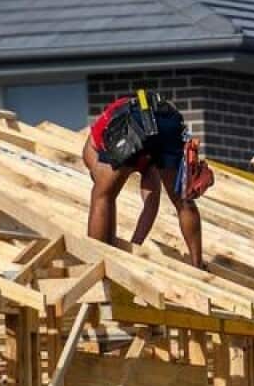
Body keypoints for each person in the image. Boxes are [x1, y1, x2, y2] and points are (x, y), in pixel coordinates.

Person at [83, 93, 204, 268]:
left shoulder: (92, 149)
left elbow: (106, 194)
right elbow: (151, 204)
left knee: (101, 194)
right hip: (167, 119)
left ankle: (96, 261)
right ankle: (197, 264)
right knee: (183, 200)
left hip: (134, 119)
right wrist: (134, 246)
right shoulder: (147, 162)